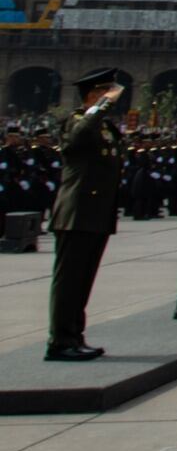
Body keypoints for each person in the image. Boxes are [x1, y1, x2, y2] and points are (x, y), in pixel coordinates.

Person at [46, 70, 126, 362]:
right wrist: (101, 106)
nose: (113, 99)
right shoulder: (76, 121)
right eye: (106, 93)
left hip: (97, 212)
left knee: (83, 280)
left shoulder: (104, 126)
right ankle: (60, 341)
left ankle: (75, 335)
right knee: (69, 281)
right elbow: (78, 139)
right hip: (76, 211)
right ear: (93, 95)